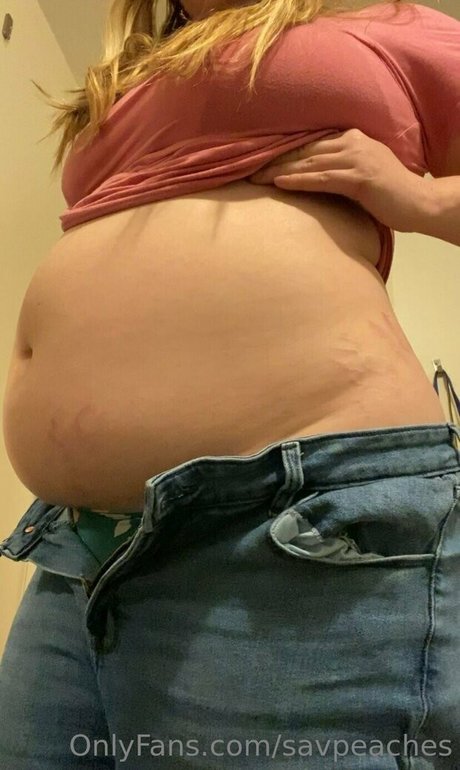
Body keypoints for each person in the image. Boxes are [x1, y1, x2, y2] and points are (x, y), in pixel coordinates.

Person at [1, 0, 460, 766]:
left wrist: (421, 200)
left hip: (292, 525)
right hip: (77, 550)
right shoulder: (130, 78)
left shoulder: (383, 26)